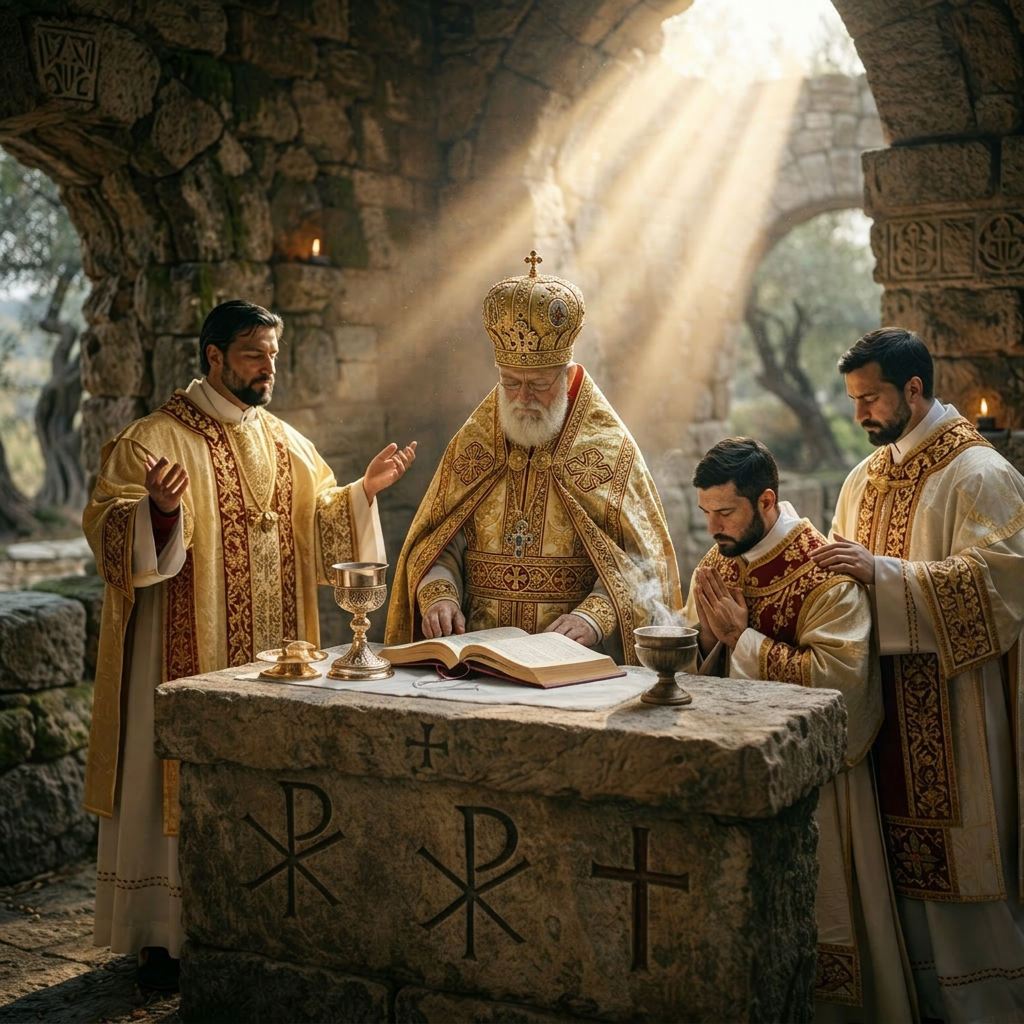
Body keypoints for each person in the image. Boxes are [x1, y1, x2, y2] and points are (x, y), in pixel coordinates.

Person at [82, 300, 416, 990]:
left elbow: (323, 525)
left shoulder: (286, 442)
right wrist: (159, 513)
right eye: (252, 356)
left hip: (273, 653)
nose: (268, 369)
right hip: (181, 650)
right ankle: (162, 933)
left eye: (272, 355)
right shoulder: (153, 440)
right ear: (212, 357)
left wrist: (361, 496)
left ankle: (257, 920)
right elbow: (108, 528)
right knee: (174, 775)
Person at [811, 327, 1024, 1022]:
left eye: (870, 399)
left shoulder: (980, 474)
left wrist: (884, 576)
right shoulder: (862, 479)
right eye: (852, 401)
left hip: (959, 719)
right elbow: (840, 592)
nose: (860, 415)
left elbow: (1001, 591)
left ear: (913, 388)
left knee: (962, 877)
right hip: (881, 717)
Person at [685, 437, 916, 1022]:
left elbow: (841, 688)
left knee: (826, 919)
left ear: (766, 501)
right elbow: (694, 663)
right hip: (737, 773)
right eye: (705, 512)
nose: (712, 528)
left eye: (725, 512)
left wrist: (743, 640)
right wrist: (709, 641)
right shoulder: (717, 564)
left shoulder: (824, 573)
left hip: (824, 791)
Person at [385, 252, 681, 663]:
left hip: (571, 658)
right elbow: (438, 542)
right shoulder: (475, 444)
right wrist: (439, 594)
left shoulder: (608, 452)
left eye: (539, 383)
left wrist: (594, 618)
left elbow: (641, 561)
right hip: (477, 654)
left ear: (568, 376)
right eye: (510, 382)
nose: (523, 398)